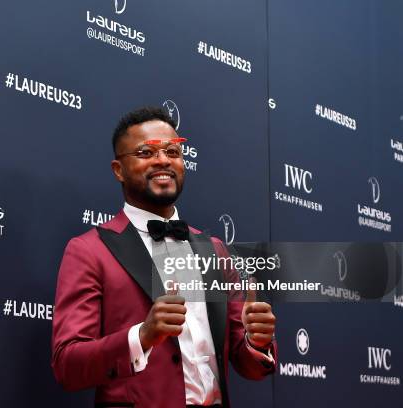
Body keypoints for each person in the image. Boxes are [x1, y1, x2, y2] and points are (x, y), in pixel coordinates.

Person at [51, 107, 276, 407]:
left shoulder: (216, 250)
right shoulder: (90, 251)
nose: (162, 160)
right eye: (145, 152)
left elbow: (246, 361)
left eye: (173, 151)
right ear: (118, 169)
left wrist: (256, 341)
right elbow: (67, 364)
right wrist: (141, 336)